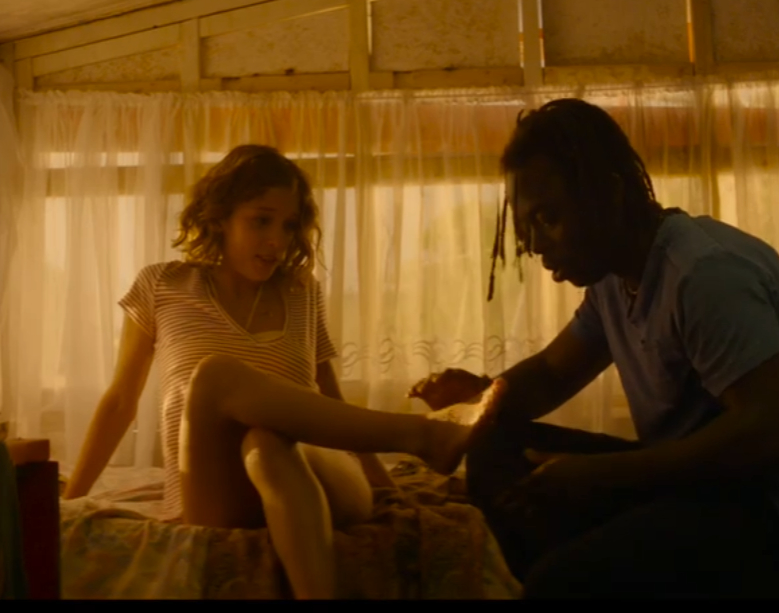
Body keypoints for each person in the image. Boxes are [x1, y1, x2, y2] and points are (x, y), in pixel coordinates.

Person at [62, 144, 504, 600]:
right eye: (261, 221)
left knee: (267, 441)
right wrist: (69, 501)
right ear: (220, 217)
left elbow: (330, 400)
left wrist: (384, 484)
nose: (277, 240)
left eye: (290, 226)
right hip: (216, 492)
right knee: (216, 379)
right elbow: (121, 400)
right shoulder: (162, 285)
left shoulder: (301, 291)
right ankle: (423, 434)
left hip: (319, 474)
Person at [409, 99, 779, 598]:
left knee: (561, 582)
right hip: (690, 483)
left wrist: (606, 475)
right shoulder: (615, 279)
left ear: (609, 194)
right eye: (526, 226)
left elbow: (765, 429)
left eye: (548, 217)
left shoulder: (702, 275)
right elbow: (553, 373)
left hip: (755, 503)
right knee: (495, 442)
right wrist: (478, 399)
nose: (535, 244)